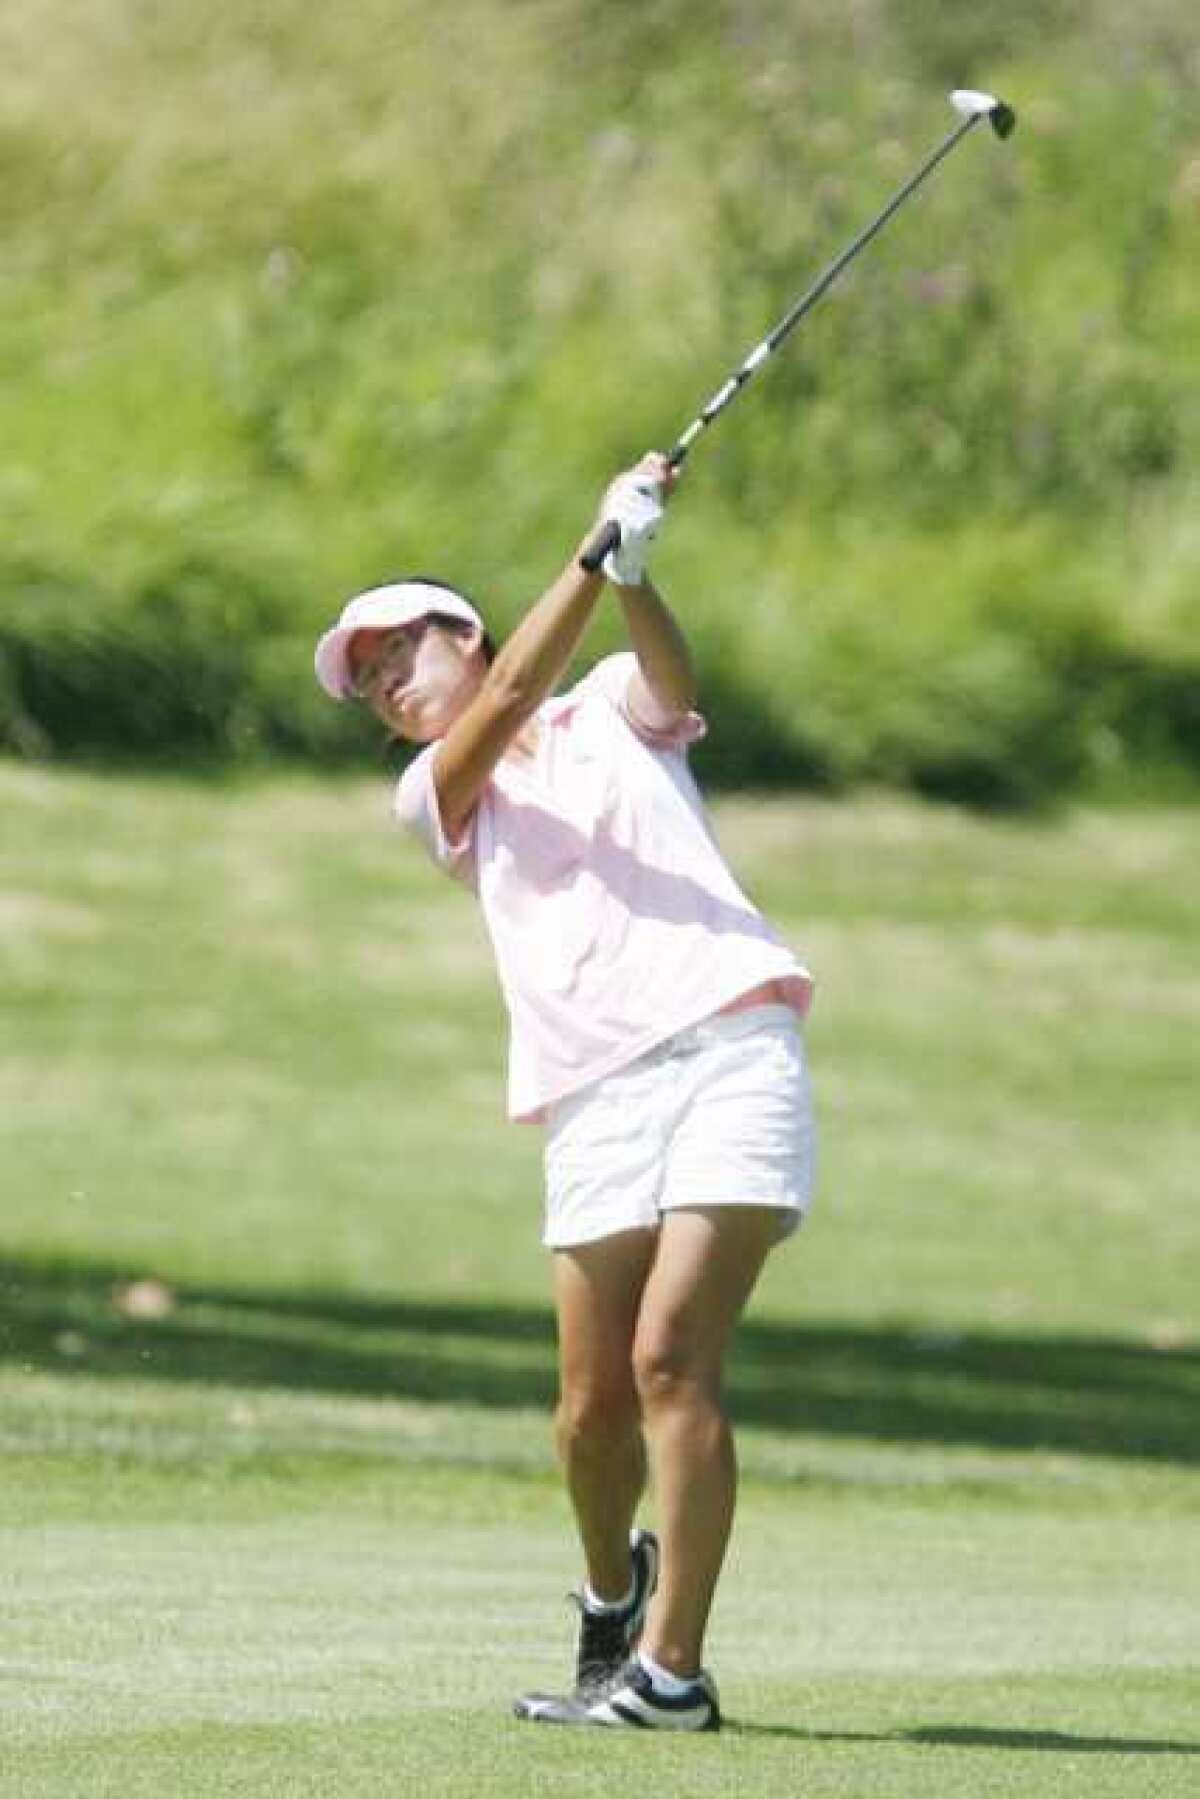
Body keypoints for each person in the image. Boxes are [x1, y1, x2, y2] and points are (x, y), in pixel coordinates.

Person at [313, 453, 815, 1732]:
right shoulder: (433, 796)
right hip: (592, 1091)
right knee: (591, 1408)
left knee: (671, 1357)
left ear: (460, 633)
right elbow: (521, 684)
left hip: (729, 1043)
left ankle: (672, 1672)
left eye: (399, 655)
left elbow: (670, 683)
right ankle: (608, 1591)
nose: (389, 689)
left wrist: (634, 574)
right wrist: (596, 549)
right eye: (372, 687)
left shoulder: (607, 704)